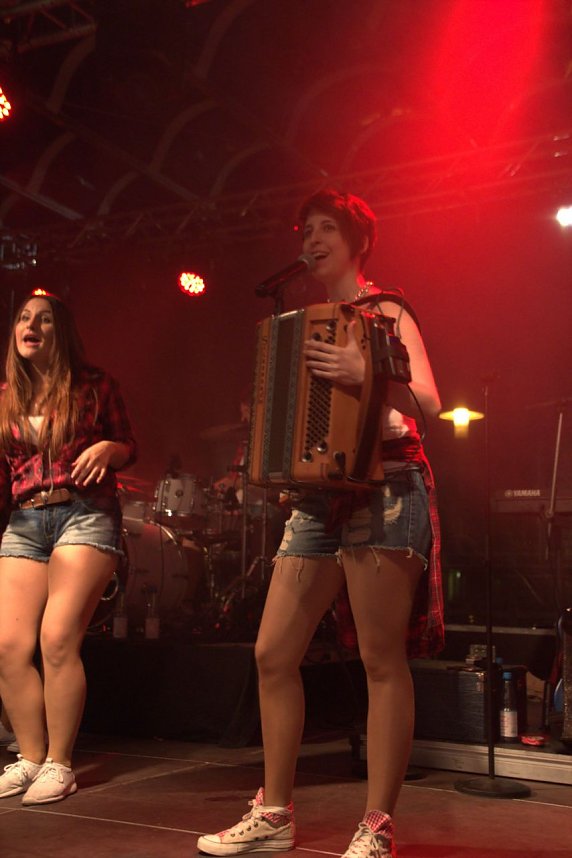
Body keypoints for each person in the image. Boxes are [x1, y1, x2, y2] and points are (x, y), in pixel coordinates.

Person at [196, 189, 443, 858]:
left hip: (387, 486)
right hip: (318, 499)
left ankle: (377, 828)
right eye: (306, 229)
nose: (312, 238)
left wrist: (372, 368)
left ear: (360, 240)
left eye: (327, 228)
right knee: (273, 652)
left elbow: (431, 401)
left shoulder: (387, 309)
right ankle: (274, 813)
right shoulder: (299, 321)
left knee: (379, 659)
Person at [0, 290, 136, 805]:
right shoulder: (5, 397)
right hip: (24, 521)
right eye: (23, 318)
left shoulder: (96, 385)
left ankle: (60, 763)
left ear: (63, 332)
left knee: (57, 638)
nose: (31, 324)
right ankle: (30, 758)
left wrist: (110, 448)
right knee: (8, 649)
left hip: (85, 514)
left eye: (45, 318)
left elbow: (129, 444)